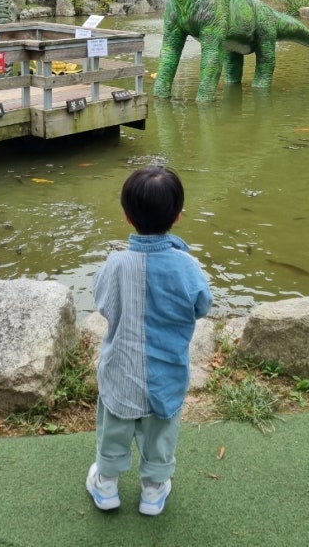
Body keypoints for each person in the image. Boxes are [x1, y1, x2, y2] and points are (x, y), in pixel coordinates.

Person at [86, 165, 213, 516]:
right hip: (166, 373)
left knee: (113, 428)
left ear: (127, 217)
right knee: (161, 432)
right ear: (177, 215)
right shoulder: (188, 266)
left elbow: (102, 302)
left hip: (120, 370)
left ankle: (106, 486)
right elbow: (202, 305)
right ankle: (153, 491)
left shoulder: (116, 264)